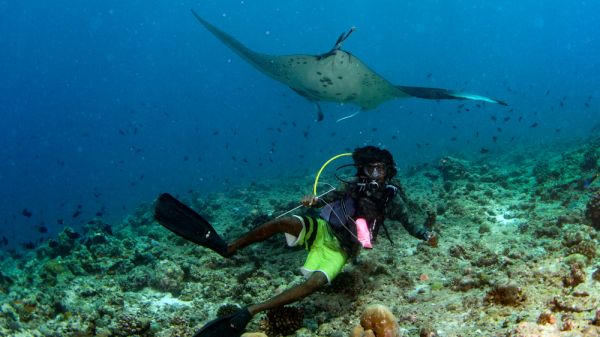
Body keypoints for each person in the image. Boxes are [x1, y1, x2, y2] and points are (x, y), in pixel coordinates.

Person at [154, 146, 438, 337]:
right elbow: (325, 201)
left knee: (313, 284)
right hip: (324, 230)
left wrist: (426, 235)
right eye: (369, 170)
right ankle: (228, 248)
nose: (374, 176)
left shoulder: (392, 198)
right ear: (361, 171)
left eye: (380, 170)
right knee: (284, 222)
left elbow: (409, 223)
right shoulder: (350, 186)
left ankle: (250, 312)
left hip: (343, 249)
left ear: (389, 171)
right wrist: (313, 202)